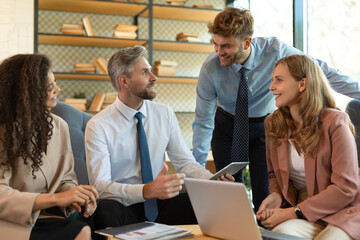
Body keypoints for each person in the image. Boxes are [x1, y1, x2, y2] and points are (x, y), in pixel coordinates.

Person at [192, 6, 360, 212]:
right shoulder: (210, 69)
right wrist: (197, 172)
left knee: (267, 194)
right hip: (227, 127)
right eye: (215, 44)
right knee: (228, 193)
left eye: (226, 46)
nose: (219, 52)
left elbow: (319, 70)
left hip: (265, 128)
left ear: (247, 42)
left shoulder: (276, 51)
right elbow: (203, 121)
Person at [85, 46, 234, 239]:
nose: (154, 77)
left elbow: (185, 163)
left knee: (203, 202)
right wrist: (146, 191)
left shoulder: (164, 114)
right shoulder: (98, 125)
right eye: (145, 72)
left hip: (160, 204)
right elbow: (101, 187)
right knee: (106, 210)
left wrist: (213, 182)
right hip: (124, 207)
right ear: (124, 81)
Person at [255, 54, 360, 239]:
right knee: (281, 234)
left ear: (302, 84)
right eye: (272, 80)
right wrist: (276, 195)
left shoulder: (335, 122)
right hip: (306, 214)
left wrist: (291, 213)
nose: (271, 87)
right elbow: (274, 175)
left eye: (279, 80)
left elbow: (346, 188)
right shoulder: (273, 123)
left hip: (346, 211)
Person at [0, 54, 98, 240]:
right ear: (27, 92)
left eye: (55, 84)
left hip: (44, 217)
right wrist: (56, 198)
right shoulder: (3, 131)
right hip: (9, 220)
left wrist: (76, 196)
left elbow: (66, 178)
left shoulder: (59, 126)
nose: (57, 90)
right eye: (49, 87)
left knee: (83, 229)